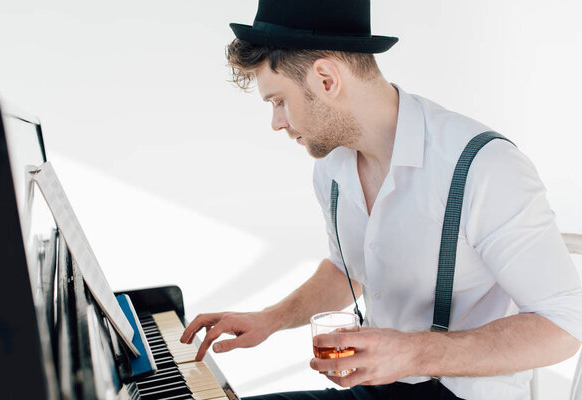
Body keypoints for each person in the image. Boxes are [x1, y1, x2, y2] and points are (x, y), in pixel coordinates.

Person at [180, 0, 582, 399]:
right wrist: (270, 319)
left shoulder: (484, 167)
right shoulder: (332, 167)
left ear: (326, 79)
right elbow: (347, 270)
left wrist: (412, 352)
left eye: (279, 101)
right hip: (377, 391)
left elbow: (564, 324)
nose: (277, 122)